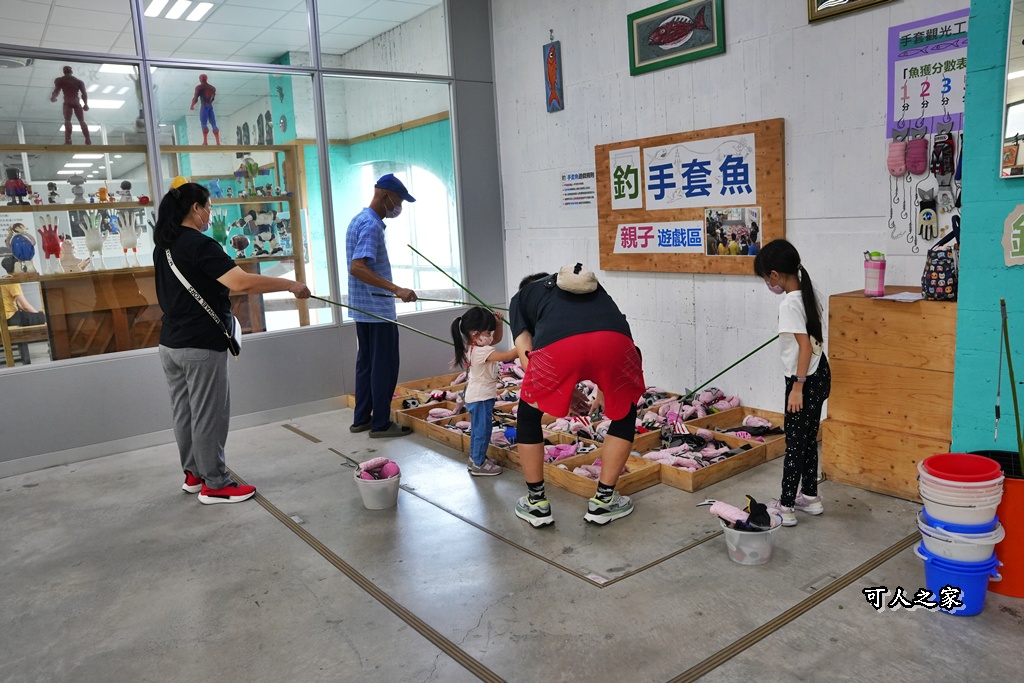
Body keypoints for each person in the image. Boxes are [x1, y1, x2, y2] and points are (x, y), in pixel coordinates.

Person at [153, 183, 310, 504]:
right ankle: (216, 483)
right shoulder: (200, 245)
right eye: (208, 207)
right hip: (200, 345)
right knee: (209, 413)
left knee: (183, 411)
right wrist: (289, 283)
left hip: (170, 344)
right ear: (195, 208)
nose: (210, 213)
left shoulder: (164, 247)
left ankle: (194, 474)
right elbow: (240, 281)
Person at [509, 266, 646, 527]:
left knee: (528, 415)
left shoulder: (521, 298)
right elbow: (612, 334)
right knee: (625, 413)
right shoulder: (592, 289)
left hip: (559, 350)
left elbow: (527, 356)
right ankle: (605, 501)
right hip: (616, 344)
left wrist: (561, 387)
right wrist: (605, 390)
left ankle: (536, 503)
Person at [753, 239, 830, 527]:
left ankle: (786, 506)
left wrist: (797, 386)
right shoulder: (810, 294)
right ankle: (810, 496)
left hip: (805, 380)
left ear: (774, 275)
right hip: (821, 374)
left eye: (765, 278)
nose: (767, 284)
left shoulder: (789, 303)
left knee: (795, 443)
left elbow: (805, 347)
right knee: (808, 439)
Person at [346, 173, 418, 437]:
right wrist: (396, 289)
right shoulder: (372, 225)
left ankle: (362, 419)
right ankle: (381, 424)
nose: (398, 207)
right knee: (384, 368)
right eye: (398, 201)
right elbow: (358, 267)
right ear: (386, 196)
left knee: (366, 364)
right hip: (378, 312)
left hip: (363, 309)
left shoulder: (358, 219)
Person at [450, 307, 519, 476]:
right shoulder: (481, 352)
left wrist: (499, 324)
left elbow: (496, 339)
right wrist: (525, 344)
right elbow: (506, 356)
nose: (491, 336)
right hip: (480, 398)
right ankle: (478, 465)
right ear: (475, 334)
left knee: (478, 430)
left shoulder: (476, 346)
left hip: (478, 396)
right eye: (488, 332)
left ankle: (476, 458)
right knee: (482, 431)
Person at [50, 66, 91, 145]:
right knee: (82, 121)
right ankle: (88, 139)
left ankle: (68, 140)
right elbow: (84, 93)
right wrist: (85, 104)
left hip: (68, 102)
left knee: (67, 121)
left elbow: (56, 90)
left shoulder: (60, 80)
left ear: (64, 72)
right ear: (71, 71)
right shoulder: (79, 81)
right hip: (76, 102)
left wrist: (53, 98)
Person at [1, 255, 46, 326]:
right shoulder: (12, 282)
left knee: (39, 316)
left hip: (7, 317)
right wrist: (39, 315)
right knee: (43, 318)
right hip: (10, 317)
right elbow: (25, 306)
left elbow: (19, 305)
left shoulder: (6, 279)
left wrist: (36, 313)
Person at [190, 74, 220, 146]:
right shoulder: (212, 88)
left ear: (200, 79)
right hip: (210, 106)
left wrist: (192, 106)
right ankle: (218, 142)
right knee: (214, 124)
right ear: (206, 79)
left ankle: (205, 142)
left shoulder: (199, 87)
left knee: (204, 124)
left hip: (204, 106)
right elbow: (213, 98)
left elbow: (195, 98)